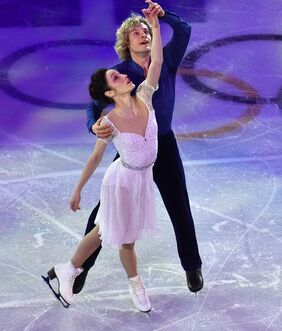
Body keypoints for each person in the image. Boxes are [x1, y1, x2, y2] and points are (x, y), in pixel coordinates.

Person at [42, 3, 163, 313]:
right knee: (124, 240)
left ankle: (67, 269)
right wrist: (78, 189)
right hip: (122, 181)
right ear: (110, 92)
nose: (124, 75)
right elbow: (96, 158)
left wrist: (155, 24)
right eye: (117, 78)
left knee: (101, 233)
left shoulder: (146, 95)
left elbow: (157, 60)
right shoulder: (108, 122)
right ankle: (136, 286)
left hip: (141, 179)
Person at [78, 0, 203, 295]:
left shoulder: (166, 58)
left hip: (164, 146)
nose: (143, 34)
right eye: (136, 32)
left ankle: (192, 266)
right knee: (104, 211)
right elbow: (93, 108)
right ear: (126, 43)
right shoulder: (118, 75)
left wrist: (162, 15)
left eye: (146, 31)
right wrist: (93, 125)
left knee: (179, 206)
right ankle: (81, 267)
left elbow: (184, 30)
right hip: (132, 152)